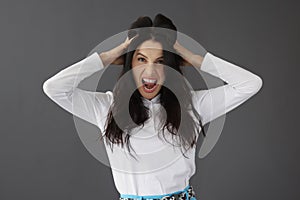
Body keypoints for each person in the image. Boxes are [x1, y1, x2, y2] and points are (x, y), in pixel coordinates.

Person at [42, 13, 263, 200]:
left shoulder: (193, 106)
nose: (150, 71)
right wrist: (108, 56)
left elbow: (250, 84)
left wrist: (193, 57)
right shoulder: (106, 108)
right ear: (130, 65)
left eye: (160, 61)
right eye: (141, 60)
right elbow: (54, 88)